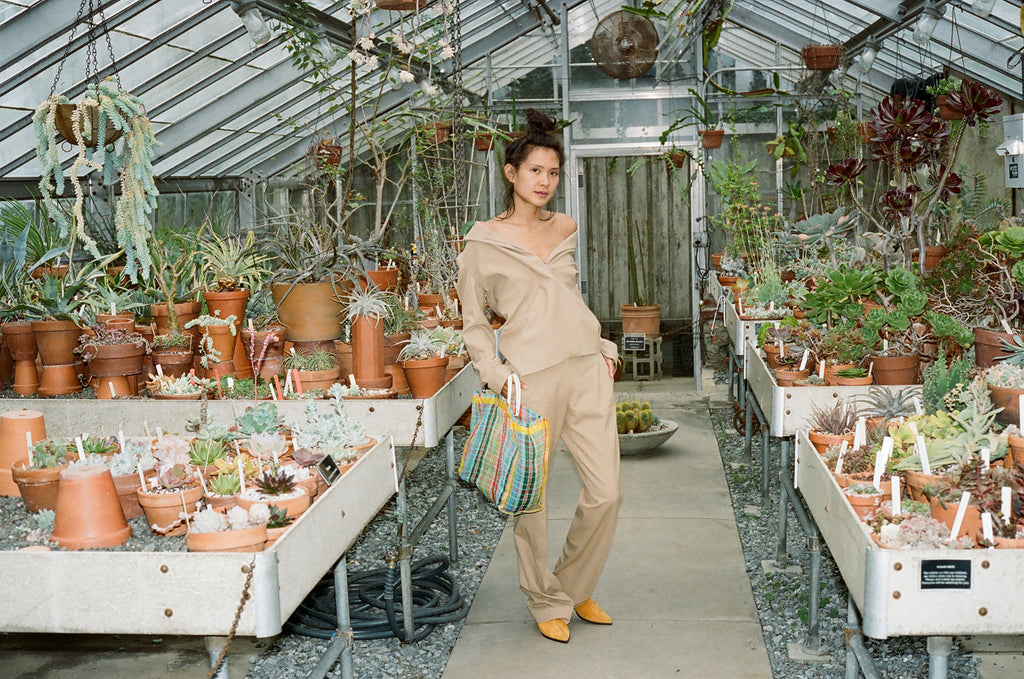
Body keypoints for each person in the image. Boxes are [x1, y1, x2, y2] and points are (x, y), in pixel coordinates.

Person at [456, 109, 622, 644]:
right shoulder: (482, 243)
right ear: (512, 174)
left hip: (586, 368)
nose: (545, 182)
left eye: (552, 173)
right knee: (533, 496)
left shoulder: (566, 227)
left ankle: (573, 587)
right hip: (528, 380)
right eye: (535, 172)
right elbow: (474, 324)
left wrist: (600, 345)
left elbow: (568, 298)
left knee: (607, 492)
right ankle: (543, 597)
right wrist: (497, 374)